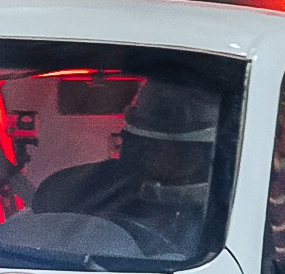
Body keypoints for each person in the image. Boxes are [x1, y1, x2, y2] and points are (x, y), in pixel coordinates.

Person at [28, 79, 221, 254]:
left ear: (206, 152)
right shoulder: (77, 187)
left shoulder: (223, 205)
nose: (156, 153)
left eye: (178, 148)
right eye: (146, 143)